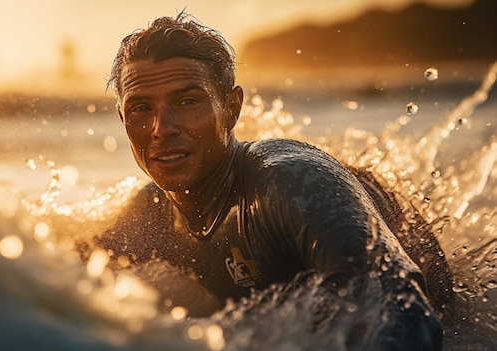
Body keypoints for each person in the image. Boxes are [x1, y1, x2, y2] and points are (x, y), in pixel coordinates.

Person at [92, 12, 445, 350]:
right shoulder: (149, 215)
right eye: (141, 108)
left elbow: (399, 303)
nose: (162, 128)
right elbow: (58, 292)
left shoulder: (288, 182)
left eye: (187, 101)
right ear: (123, 118)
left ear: (231, 108)